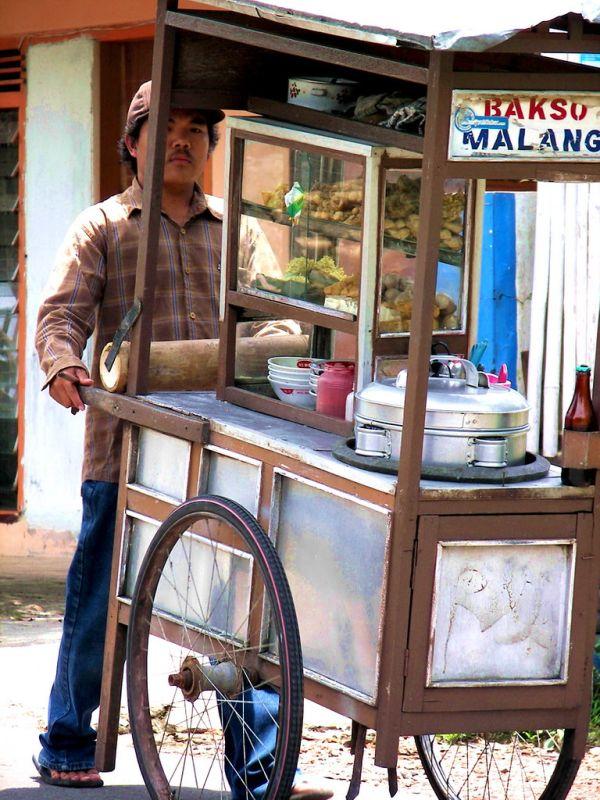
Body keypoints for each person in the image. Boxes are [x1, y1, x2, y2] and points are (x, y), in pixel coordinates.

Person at [34, 80, 332, 800]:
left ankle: (259, 768)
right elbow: (60, 316)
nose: (182, 140)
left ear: (211, 149)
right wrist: (64, 364)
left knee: (246, 609)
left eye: (198, 130)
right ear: (132, 143)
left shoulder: (240, 231)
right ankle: (69, 739)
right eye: (163, 127)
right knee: (101, 594)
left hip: (223, 448)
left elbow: (274, 322)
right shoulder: (103, 227)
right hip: (127, 449)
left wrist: (282, 348)